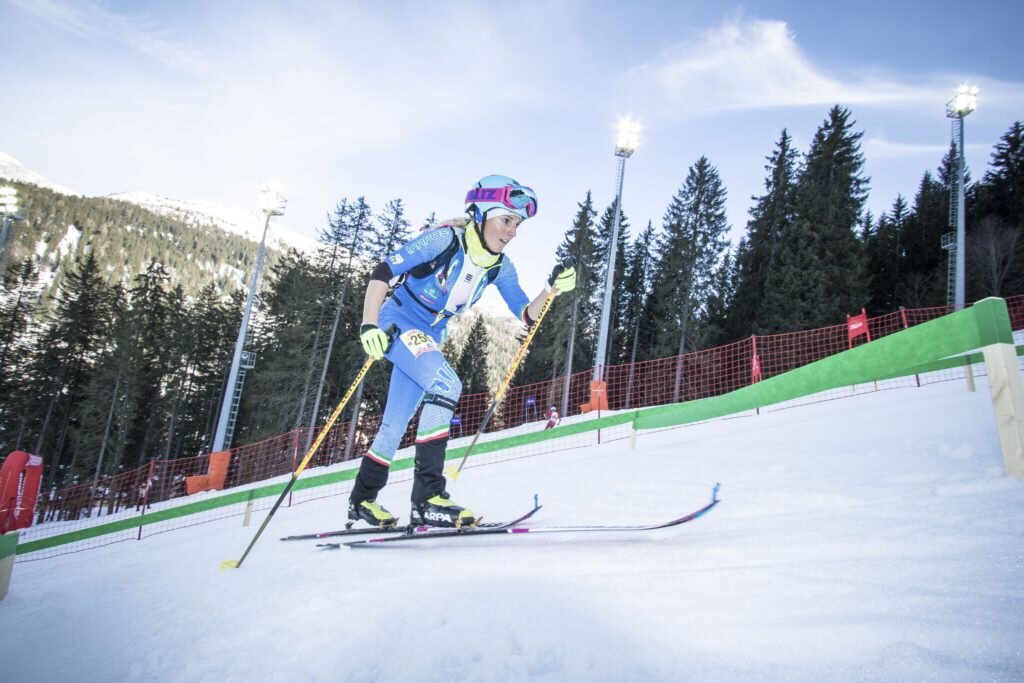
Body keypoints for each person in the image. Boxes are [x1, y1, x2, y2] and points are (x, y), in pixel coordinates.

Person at [349, 174, 576, 529]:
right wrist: (369, 324)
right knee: (446, 384)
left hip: (429, 334)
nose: (512, 231)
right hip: (398, 321)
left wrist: (552, 289)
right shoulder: (445, 239)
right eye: (506, 220)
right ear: (482, 214)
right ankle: (428, 498)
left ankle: (361, 500)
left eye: (517, 224)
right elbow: (383, 271)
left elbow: (526, 315)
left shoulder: (500, 267)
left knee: (395, 424)